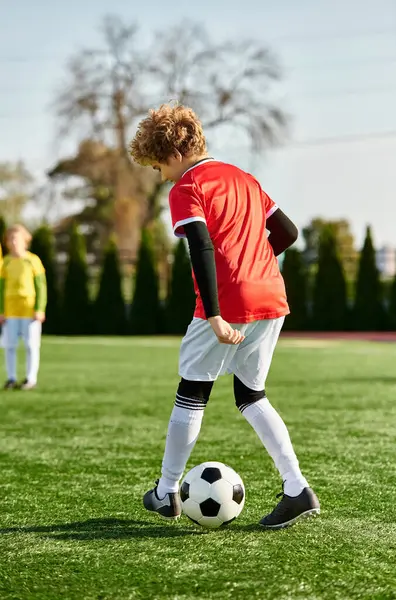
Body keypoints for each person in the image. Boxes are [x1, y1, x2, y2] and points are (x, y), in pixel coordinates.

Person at [129, 104, 320, 529]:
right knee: (251, 395)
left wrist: (214, 314)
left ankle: (166, 491)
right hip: (272, 293)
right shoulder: (245, 178)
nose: (160, 174)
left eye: (158, 165)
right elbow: (287, 232)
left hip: (226, 303)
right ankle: (296, 489)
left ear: (173, 153)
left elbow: (200, 246)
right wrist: (256, 266)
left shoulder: (187, 186)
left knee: (192, 392)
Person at [0, 224, 47, 390]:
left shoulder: (33, 260)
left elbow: (41, 286)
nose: (13, 242)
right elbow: (1, 287)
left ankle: (30, 378)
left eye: (16, 239)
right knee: (10, 345)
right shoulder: (5, 263)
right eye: (10, 239)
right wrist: (1, 311)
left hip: (29, 309)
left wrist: (40, 308)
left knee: (31, 345)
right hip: (11, 310)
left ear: (25, 240)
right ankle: (11, 378)